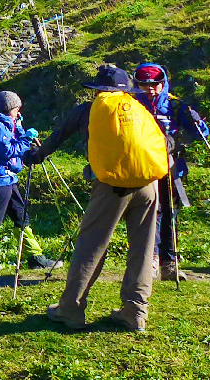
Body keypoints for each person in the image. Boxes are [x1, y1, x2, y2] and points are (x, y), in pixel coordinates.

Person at [27, 65, 164, 333]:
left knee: (92, 245)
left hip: (111, 186)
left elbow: (57, 138)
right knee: (144, 248)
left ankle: (70, 310)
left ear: (98, 90)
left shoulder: (87, 110)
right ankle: (135, 312)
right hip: (148, 182)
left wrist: (34, 156)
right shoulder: (138, 109)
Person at [130, 64, 208, 282]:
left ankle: (170, 263)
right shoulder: (131, 106)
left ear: (163, 83)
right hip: (143, 168)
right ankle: (150, 261)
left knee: (170, 212)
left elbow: (201, 134)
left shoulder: (174, 106)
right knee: (150, 213)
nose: (150, 89)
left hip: (171, 167)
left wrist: (195, 122)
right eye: (144, 84)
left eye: (155, 84)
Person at [0, 91, 60, 271]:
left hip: (8, 178)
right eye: (17, 109)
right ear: (10, 108)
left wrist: (22, 130)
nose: (19, 112)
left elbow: (18, 146)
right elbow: (6, 152)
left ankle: (35, 257)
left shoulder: (9, 124)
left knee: (21, 216)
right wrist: (26, 138)